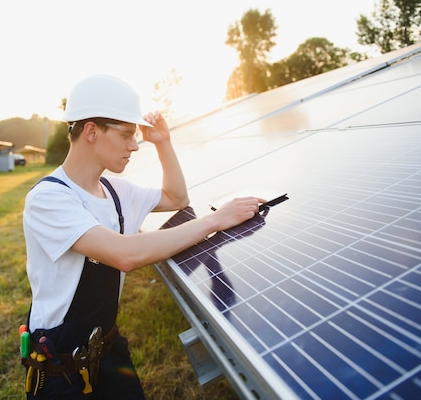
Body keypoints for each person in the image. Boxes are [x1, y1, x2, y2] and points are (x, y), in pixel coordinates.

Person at [21, 74, 264, 399]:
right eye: (125, 136)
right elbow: (125, 254)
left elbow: (176, 198)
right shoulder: (49, 199)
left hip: (109, 350)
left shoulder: (116, 191)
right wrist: (215, 220)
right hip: (60, 370)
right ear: (91, 131)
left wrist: (163, 142)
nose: (135, 145)